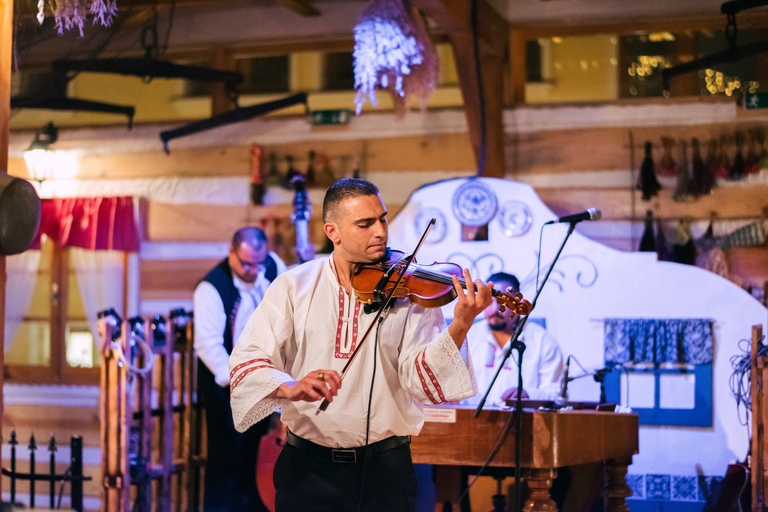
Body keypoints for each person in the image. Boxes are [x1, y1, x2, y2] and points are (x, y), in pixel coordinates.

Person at [228, 178, 493, 512]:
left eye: (382, 219)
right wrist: (290, 387)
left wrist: (460, 324)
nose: (380, 231)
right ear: (333, 231)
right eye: (365, 224)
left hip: (386, 470)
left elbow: (421, 380)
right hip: (306, 468)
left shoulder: (410, 289)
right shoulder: (293, 286)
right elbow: (247, 360)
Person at [193, 227, 287, 512]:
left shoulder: (273, 266)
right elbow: (209, 347)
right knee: (225, 462)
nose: (253, 270)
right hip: (225, 387)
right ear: (231, 252)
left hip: (265, 381)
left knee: (257, 460)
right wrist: (242, 380)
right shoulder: (210, 288)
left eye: (258, 263)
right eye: (245, 263)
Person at [463, 271, 564, 406]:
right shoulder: (469, 335)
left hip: (522, 422)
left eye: (503, 302)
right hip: (469, 421)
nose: (494, 309)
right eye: (489, 301)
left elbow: (558, 394)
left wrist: (529, 394)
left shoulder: (542, 341)